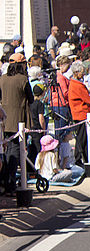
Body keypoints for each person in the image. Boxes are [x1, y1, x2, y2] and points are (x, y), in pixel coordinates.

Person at [0, 53, 33, 194]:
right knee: (14, 152)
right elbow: (30, 98)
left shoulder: (2, 79)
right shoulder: (23, 79)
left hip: (3, 120)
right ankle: (10, 184)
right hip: (17, 120)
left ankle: (4, 182)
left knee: (4, 152)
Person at [67, 61, 90, 167]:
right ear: (76, 72)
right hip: (81, 114)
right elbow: (88, 100)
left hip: (79, 113)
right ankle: (78, 159)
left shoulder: (74, 83)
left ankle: (87, 158)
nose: (83, 74)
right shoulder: (77, 85)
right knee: (81, 139)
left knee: (83, 138)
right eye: (82, 72)